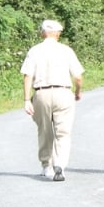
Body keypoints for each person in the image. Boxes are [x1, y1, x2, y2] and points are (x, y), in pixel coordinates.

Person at [21, 20, 84, 182]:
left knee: (45, 131)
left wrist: (27, 99)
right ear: (58, 33)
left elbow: (27, 75)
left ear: (42, 33)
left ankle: (46, 166)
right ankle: (60, 165)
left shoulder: (34, 50)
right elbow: (77, 76)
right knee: (63, 132)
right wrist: (77, 92)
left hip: (41, 93)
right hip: (63, 92)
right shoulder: (66, 50)